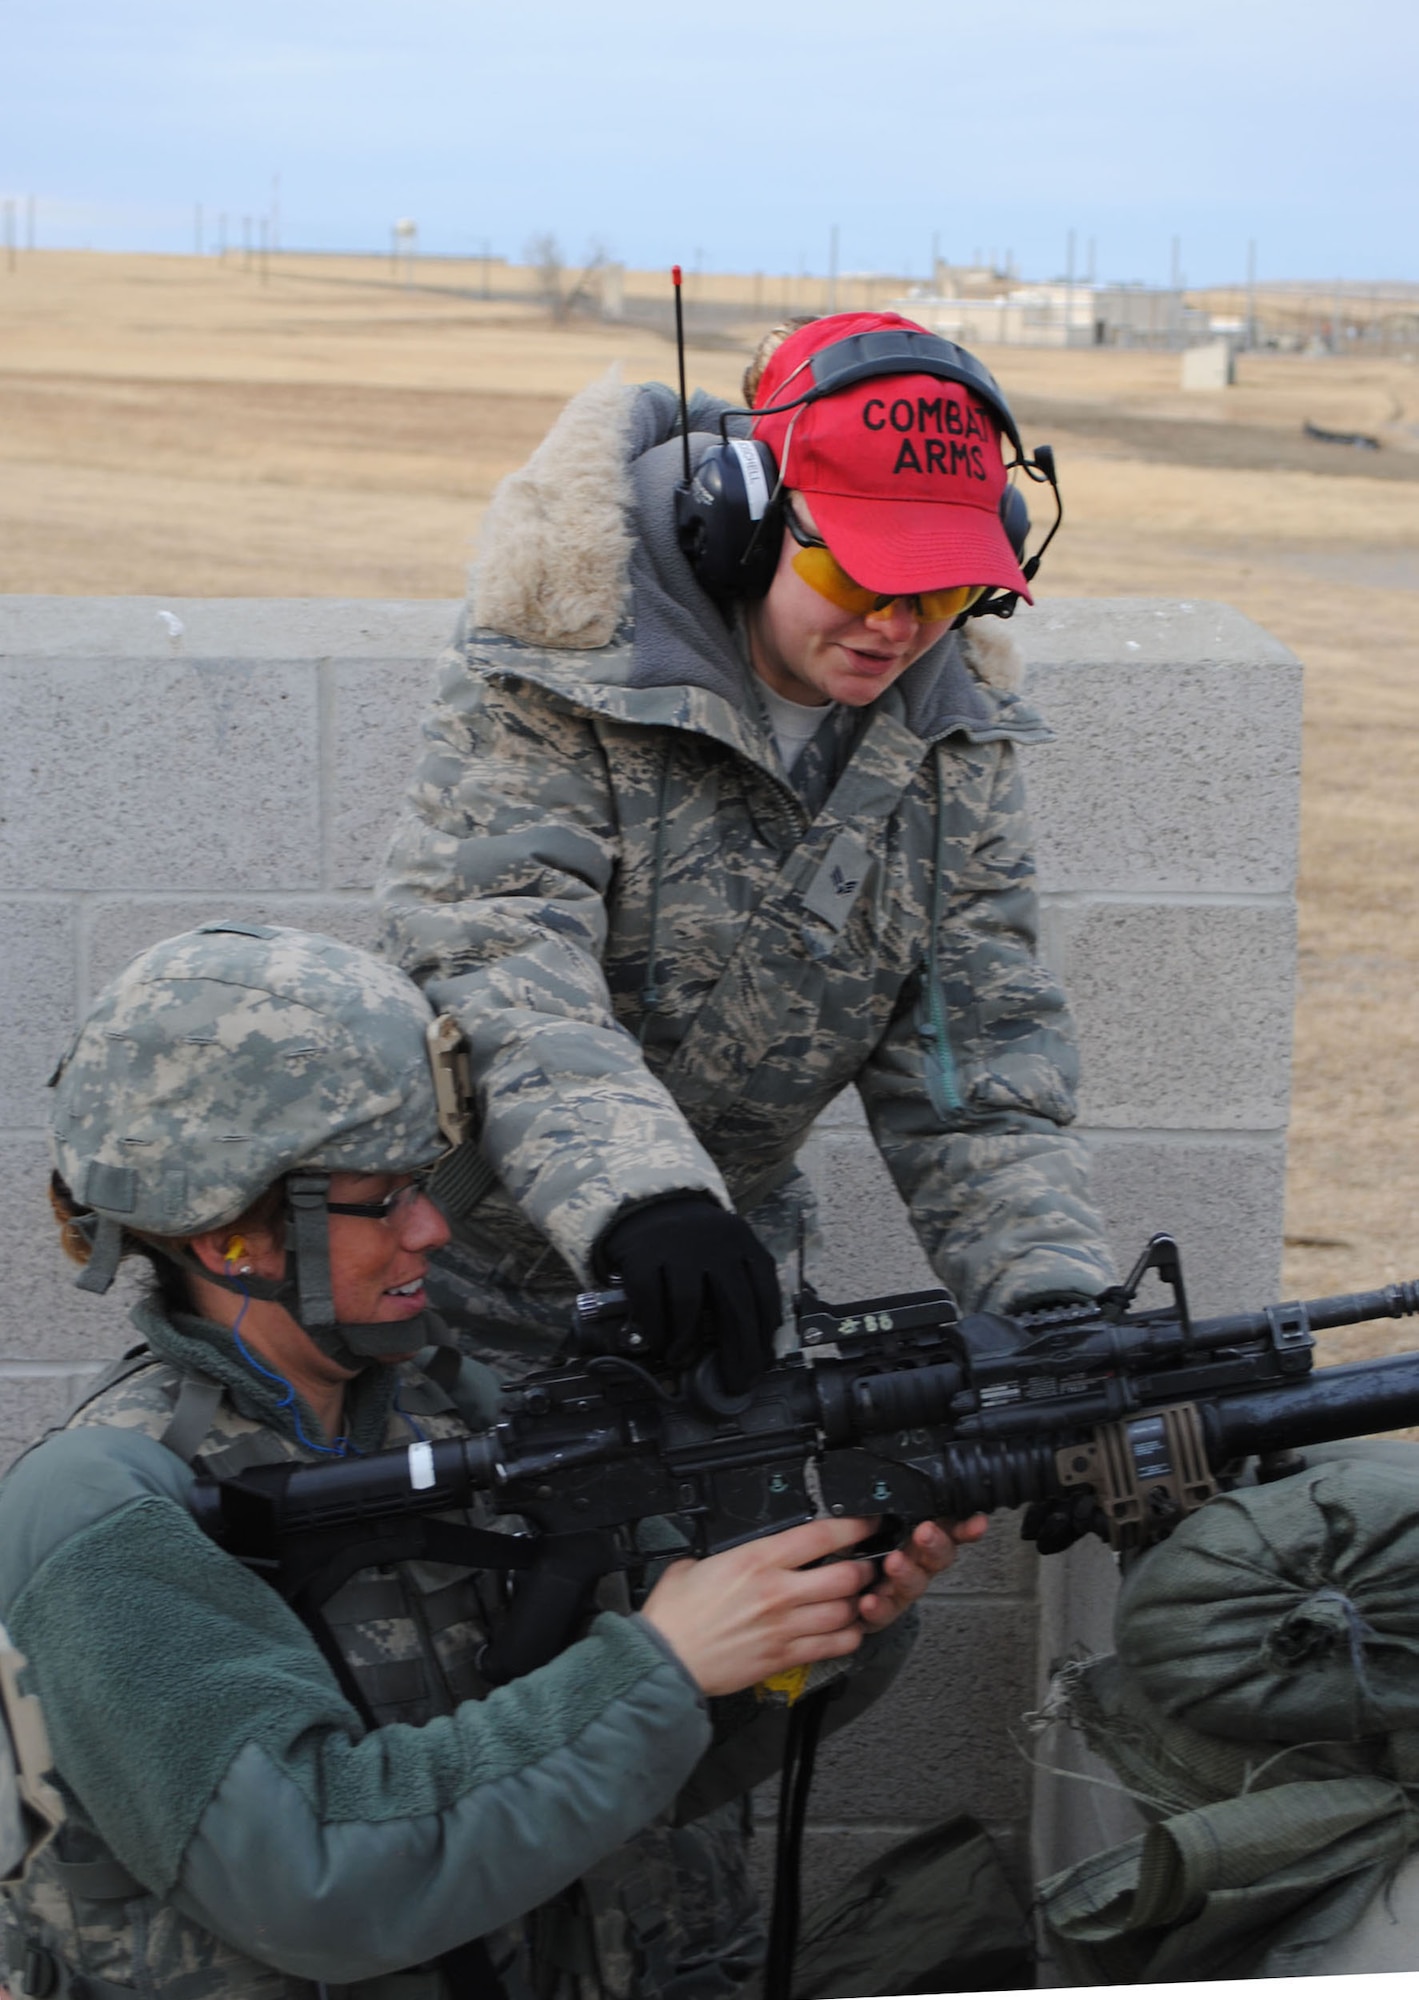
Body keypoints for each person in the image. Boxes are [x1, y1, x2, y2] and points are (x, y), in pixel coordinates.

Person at [0, 921, 970, 2000]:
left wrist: (811, 1618)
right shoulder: (107, 1507)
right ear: (230, 1233)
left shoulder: (454, 1415)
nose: (431, 1230)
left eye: (430, 1183)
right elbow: (318, 1884)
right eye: (385, 1197)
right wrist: (666, 1658)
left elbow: (656, 1769)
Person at [379, 308, 1117, 1389]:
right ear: (748, 518)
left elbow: (977, 1065)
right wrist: (647, 1195)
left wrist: (1048, 1295)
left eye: (944, 587)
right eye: (862, 575)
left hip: (723, 1289)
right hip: (454, 1288)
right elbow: (499, 968)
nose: (897, 627)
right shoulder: (560, 669)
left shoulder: (952, 738)